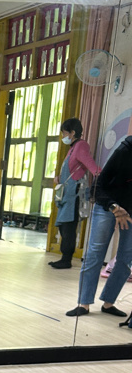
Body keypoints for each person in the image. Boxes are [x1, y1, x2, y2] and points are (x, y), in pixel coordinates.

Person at [66, 134, 132, 318]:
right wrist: (113, 207)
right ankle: (84, 303)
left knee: (126, 258)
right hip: (107, 204)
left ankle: (109, 303)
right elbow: (98, 186)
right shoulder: (125, 150)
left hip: (130, 210)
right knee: (95, 253)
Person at [50, 118, 101, 270]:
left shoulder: (81, 146)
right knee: (64, 226)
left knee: (68, 227)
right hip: (67, 194)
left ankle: (66, 259)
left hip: (74, 195)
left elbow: (93, 168)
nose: (63, 136)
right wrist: (59, 178)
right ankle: (64, 257)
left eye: (65, 133)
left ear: (72, 133)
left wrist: (103, 179)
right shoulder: (73, 148)